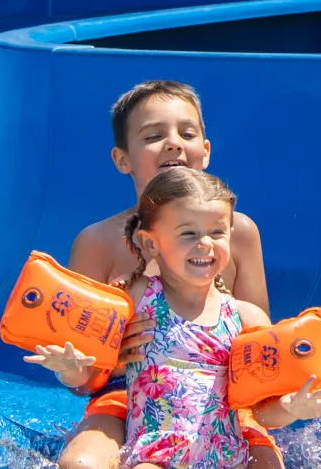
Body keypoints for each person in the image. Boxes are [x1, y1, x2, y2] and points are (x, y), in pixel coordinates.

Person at [27, 168, 321, 469]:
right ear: (151, 242)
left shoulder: (245, 318)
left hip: (227, 455)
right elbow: (92, 376)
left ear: (230, 236)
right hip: (155, 454)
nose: (205, 243)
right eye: (188, 233)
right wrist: (71, 370)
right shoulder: (134, 301)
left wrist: (290, 409)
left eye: (217, 232)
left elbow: (261, 413)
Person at [50, 80, 276, 468]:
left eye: (186, 133)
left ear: (205, 151)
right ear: (123, 159)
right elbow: (83, 375)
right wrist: (110, 358)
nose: (173, 143)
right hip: (126, 393)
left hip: (224, 395)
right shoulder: (98, 242)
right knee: (79, 465)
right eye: (154, 135)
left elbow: (256, 344)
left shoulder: (238, 234)